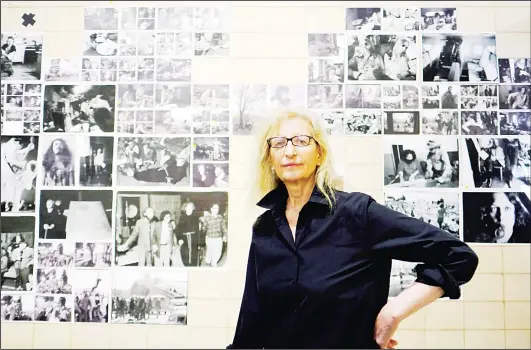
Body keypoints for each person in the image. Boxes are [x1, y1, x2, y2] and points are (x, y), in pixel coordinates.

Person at [227, 109, 479, 349]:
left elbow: (458, 256)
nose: (290, 151)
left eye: (302, 141)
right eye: (279, 143)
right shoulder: (265, 228)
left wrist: (393, 313)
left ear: (319, 154)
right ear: (269, 157)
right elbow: (251, 320)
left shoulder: (357, 214)